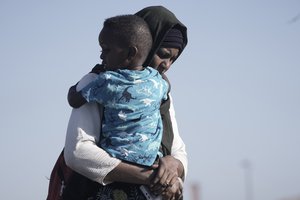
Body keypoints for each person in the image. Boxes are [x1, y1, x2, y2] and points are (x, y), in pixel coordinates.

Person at [64, 5, 188, 200]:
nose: (167, 65)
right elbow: (78, 152)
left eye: (174, 59)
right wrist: (152, 177)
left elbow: (177, 149)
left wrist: (175, 166)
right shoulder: (99, 83)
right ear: (140, 48)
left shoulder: (160, 90)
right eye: (163, 54)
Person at [72, 14, 169, 167]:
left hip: (116, 160)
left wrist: (91, 75)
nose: (102, 56)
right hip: (150, 162)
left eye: (106, 50)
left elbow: (74, 100)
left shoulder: (108, 81)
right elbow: (167, 88)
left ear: (130, 53)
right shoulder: (157, 81)